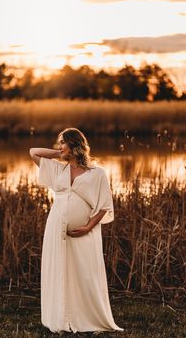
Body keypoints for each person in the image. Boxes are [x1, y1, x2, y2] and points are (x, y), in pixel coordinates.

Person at [30, 127, 123, 334]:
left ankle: (88, 318)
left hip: (85, 232)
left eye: (63, 142)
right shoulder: (58, 170)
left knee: (85, 273)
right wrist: (59, 154)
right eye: (59, 142)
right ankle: (60, 318)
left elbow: (105, 205)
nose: (59, 146)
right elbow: (33, 152)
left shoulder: (97, 173)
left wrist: (88, 226)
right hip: (56, 228)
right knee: (60, 270)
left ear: (75, 144)